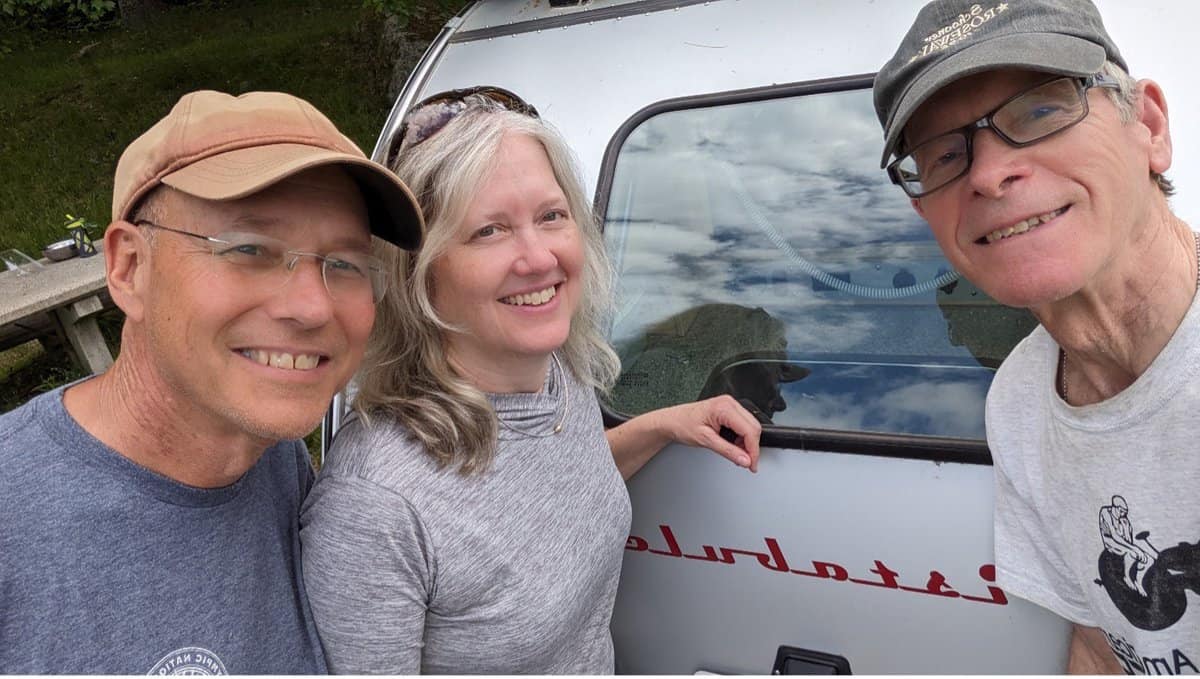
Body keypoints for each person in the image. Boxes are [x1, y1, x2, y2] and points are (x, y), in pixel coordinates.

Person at [299, 86, 763, 674]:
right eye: (489, 230)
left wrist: (662, 425)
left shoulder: (554, 371)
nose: (539, 257)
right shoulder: (377, 506)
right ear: (422, 272)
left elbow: (547, 491)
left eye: (551, 216)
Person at [0, 90, 423, 673]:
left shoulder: (273, 455)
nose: (312, 307)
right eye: (249, 248)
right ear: (129, 267)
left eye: (344, 263)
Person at [875, 0, 1198, 673]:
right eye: (944, 154)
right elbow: (1105, 645)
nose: (989, 175)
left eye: (1040, 111)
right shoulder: (1022, 400)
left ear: (1149, 126)